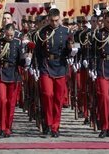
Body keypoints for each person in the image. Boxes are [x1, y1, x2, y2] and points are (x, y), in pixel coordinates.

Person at [36, 8, 77, 137]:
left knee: (58, 98)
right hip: (46, 66)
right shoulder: (43, 32)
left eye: (56, 20)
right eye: (52, 21)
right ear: (48, 19)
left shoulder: (65, 31)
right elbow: (37, 52)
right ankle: (47, 123)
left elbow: (70, 50)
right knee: (47, 95)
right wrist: (36, 67)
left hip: (60, 66)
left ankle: (55, 126)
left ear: (59, 18)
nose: (54, 23)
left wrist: (72, 51)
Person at [0, 23, 29, 138]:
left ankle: (8, 127)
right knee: (1, 100)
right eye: (7, 35)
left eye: (11, 35)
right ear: (4, 32)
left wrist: (27, 60)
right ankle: (2, 125)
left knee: (11, 103)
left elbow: (20, 61)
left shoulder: (17, 43)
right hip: (0, 72)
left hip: (13, 74)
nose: (9, 38)